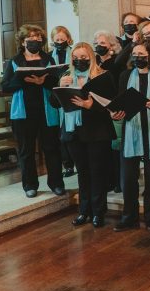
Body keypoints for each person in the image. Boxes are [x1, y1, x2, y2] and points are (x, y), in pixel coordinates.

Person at [112, 41, 150, 232]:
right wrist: (117, 112)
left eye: (141, 54)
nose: (137, 57)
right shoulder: (125, 75)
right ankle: (129, 216)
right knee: (128, 178)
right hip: (132, 130)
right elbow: (121, 101)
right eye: (135, 54)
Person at [53, 42, 116, 228]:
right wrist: (59, 85)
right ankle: (83, 211)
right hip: (73, 132)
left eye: (83, 57)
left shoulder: (103, 76)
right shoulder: (66, 75)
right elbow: (54, 103)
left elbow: (111, 104)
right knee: (83, 173)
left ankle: (98, 213)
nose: (79, 61)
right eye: (76, 58)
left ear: (91, 57)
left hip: (97, 132)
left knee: (97, 173)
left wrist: (91, 105)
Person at [1, 25, 64, 198]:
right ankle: (30, 185)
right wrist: (24, 80)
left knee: (51, 148)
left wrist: (42, 82)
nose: (35, 41)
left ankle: (56, 183)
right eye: (30, 38)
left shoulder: (48, 59)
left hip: (46, 110)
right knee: (26, 150)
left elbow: (56, 83)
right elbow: (5, 87)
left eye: (38, 38)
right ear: (22, 42)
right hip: (23, 113)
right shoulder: (14, 61)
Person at [93, 30, 124, 193]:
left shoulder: (116, 63)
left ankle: (118, 181)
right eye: (96, 43)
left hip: (114, 107)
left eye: (102, 43)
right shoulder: (93, 63)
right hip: (98, 109)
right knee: (103, 148)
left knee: (115, 147)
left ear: (112, 46)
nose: (98, 46)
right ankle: (107, 180)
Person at [50, 26, 75, 179]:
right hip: (56, 95)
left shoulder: (74, 52)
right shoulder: (49, 56)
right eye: (57, 40)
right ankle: (67, 164)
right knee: (61, 134)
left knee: (71, 131)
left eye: (62, 39)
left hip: (71, 92)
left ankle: (76, 160)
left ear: (68, 38)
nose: (60, 42)